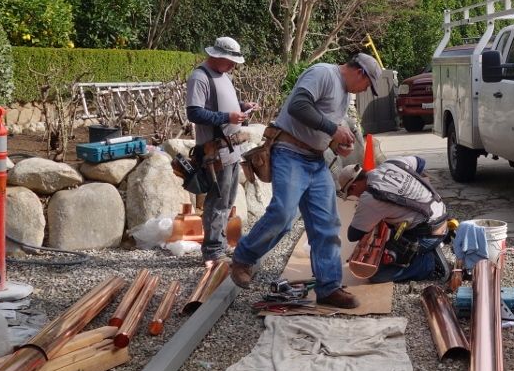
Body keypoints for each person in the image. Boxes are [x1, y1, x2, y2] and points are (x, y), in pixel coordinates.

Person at [228, 53, 383, 309]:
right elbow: (298, 105)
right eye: (367, 84)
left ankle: (329, 287)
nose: (366, 89)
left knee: (327, 224)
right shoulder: (323, 73)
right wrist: (333, 131)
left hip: (315, 159)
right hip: (289, 153)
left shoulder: (344, 94)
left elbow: (321, 125)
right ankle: (243, 258)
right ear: (360, 73)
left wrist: (335, 144)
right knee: (283, 214)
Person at [185, 36, 255, 263]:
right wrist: (228, 116)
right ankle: (213, 251)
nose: (234, 65)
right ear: (216, 56)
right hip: (216, 151)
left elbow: (221, 104)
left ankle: (220, 245)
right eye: (230, 60)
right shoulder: (200, 77)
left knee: (227, 199)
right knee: (217, 201)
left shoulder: (223, 75)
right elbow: (194, 113)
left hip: (231, 149)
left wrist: (242, 107)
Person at [338, 155, 452, 284]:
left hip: (429, 234)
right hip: (440, 213)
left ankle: (426, 264)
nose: (356, 197)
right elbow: (420, 162)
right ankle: (424, 251)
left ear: (353, 186)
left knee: (377, 275)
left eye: (352, 194)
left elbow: (353, 234)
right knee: (390, 230)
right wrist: (412, 191)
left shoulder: (370, 198)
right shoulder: (391, 163)